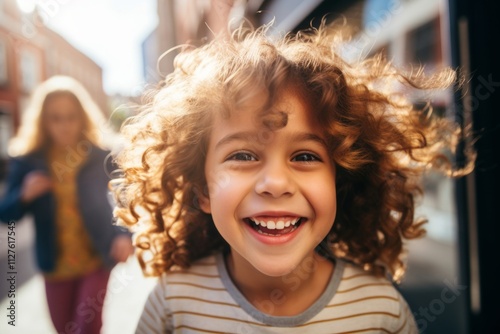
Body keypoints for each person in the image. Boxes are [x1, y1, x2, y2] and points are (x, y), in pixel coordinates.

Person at [113, 24, 474, 333]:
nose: (275, 182)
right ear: (203, 190)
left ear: (339, 179)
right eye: (242, 155)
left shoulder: (381, 310)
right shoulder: (174, 301)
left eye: (304, 156)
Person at [0, 76, 134, 334]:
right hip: (54, 264)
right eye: (56, 118)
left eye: (71, 117)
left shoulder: (99, 155)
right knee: (64, 329)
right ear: (43, 120)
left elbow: (126, 195)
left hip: (97, 256)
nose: (64, 125)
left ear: (82, 117)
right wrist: (24, 195)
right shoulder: (28, 160)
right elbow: (6, 214)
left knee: (87, 327)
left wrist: (124, 233)